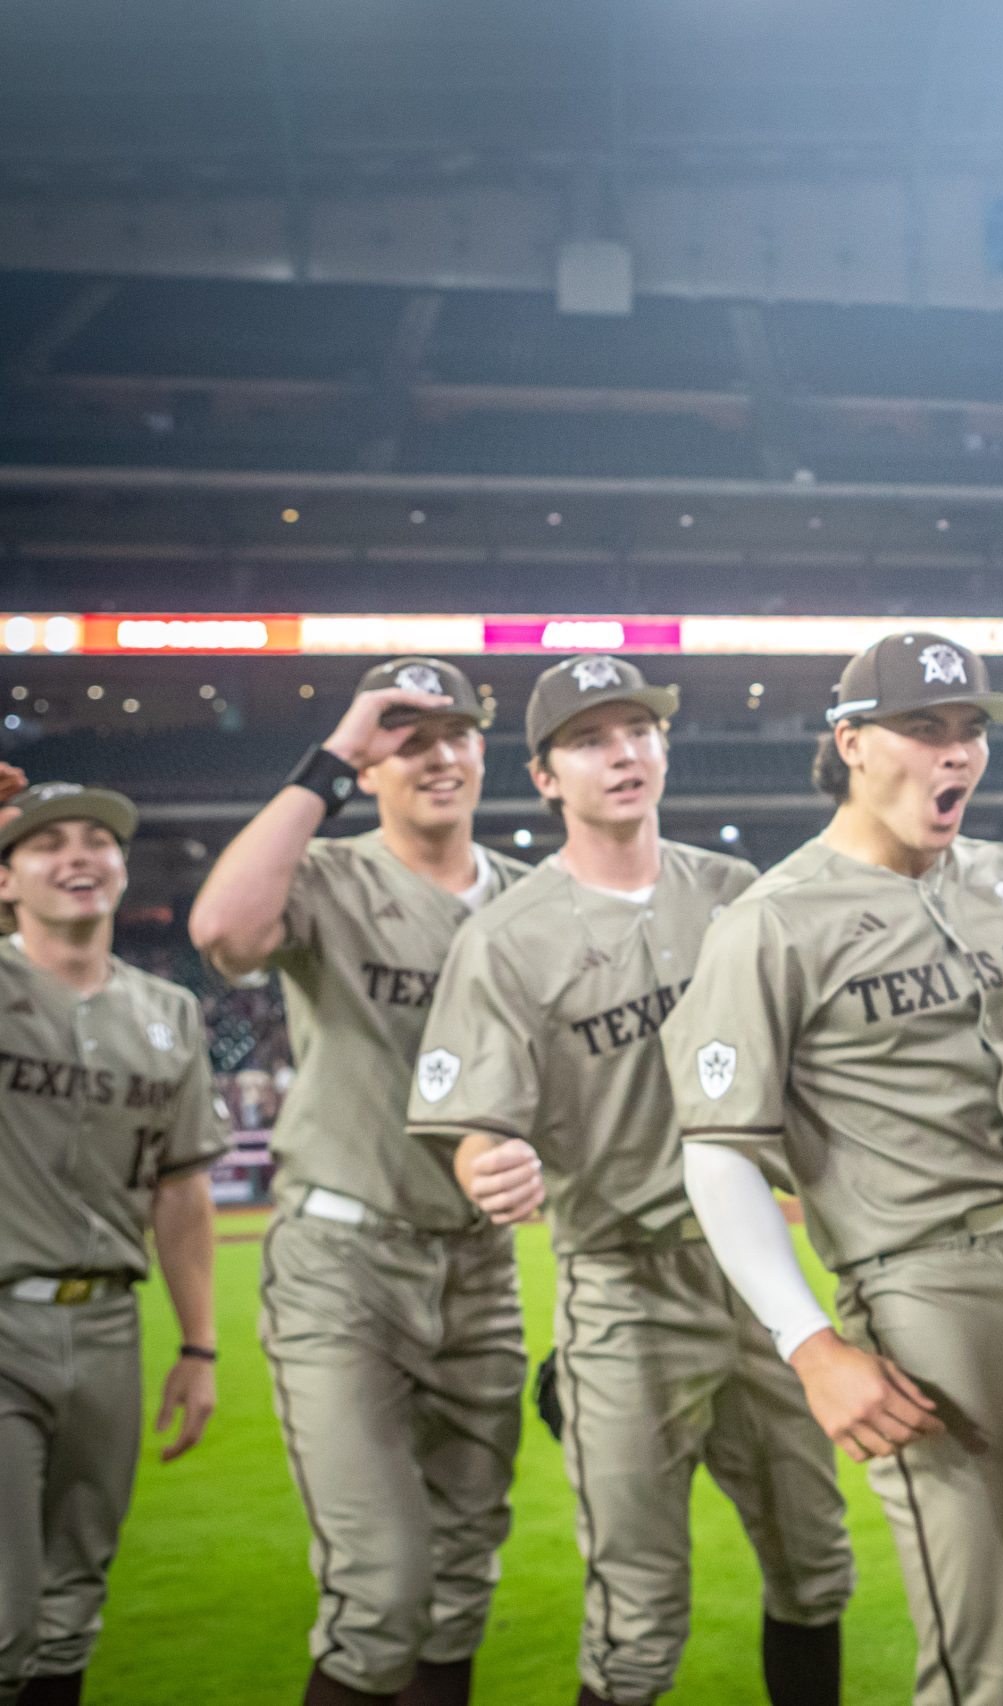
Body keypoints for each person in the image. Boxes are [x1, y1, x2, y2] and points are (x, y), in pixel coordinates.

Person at [663, 634, 1003, 1706]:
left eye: (970, 730)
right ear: (851, 742)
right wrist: (810, 1342)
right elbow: (719, 1150)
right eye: (924, 728)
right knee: (984, 1661)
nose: (954, 753)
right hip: (930, 1285)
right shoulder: (769, 923)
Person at [406, 654, 849, 1706]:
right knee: (638, 1611)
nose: (625, 752)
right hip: (622, 1281)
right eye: (591, 738)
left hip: (759, 1283)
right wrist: (484, 1159)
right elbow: (473, 1120)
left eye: (640, 729)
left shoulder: (736, 894)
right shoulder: (507, 936)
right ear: (545, 776)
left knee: (816, 1561)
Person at [188, 659, 531, 1706]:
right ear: (370, 761)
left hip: (479, 1267)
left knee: (463, 1578)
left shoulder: (528, 899)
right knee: (381, 1589)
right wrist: (331, 756)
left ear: (484, 750)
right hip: (345, 1260)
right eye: (407, 735)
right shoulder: (331, 874)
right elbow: (223, 934)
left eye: (457, 732)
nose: (439, 754)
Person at [0, 782, 224, 1706]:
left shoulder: (168, 1010)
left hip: (108, 1331)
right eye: (47, 843)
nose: (80, 856)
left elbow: (181, 1188)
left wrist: (200, 1344)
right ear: (6, 878)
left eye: (99, 840)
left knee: (75, 1596)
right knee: (7, 1611)